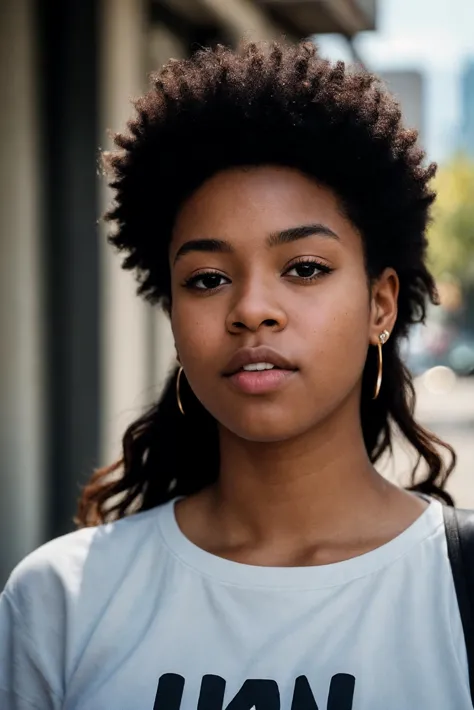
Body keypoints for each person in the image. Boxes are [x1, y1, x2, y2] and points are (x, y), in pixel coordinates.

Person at [0, 40, 469, 710]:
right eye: (208, 278)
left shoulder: (459, 585)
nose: (251, 309)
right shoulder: (59, 601)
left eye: (304, 268)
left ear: (381, 304)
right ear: (174, 314)